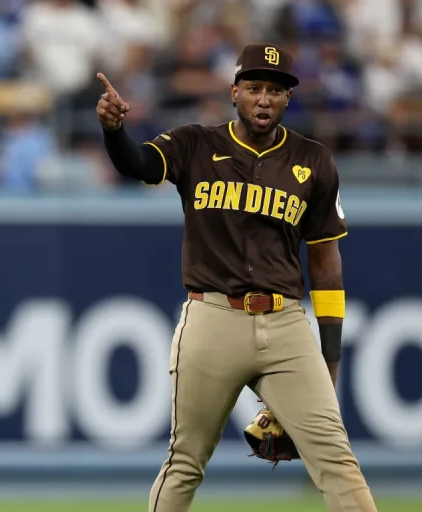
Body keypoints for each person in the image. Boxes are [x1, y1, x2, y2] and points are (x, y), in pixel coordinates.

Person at [96, 44, 378, 512]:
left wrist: (330, 355)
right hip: (212, 317)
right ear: (234, 93)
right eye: (253, 88)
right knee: (185, 462)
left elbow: (326, 262)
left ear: (288, 99)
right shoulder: (195, 144)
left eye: (275, 90)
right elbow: (138, 164)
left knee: (337, 458)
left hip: (286, 325)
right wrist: (113, 131)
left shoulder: (315, 161)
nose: (263, 99)